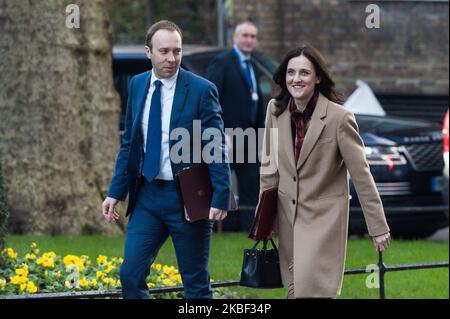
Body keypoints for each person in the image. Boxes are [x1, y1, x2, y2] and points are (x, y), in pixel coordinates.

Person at [102, 20, 232, 299]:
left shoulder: (201, 89)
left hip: (188, 198)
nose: (171, 58)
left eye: (177, 51)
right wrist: (116, 191)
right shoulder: (137, 84)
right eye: (164, 51)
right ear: (148, 52)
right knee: (130, 274)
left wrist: (221, 194)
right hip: (148, 196)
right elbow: (129, 144)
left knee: (196, 283)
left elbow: (215, 144)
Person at [259, 44, 391, 299]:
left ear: (318, 77)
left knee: (310, 290)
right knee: (297, 289)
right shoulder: (275, 111)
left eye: (304, 73)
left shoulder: (339, 118)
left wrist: (377, 226)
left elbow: (361, 174)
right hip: (287, 217)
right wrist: (265, 216)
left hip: (323, 220)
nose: (296, 79)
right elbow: (269, 167)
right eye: (291, 72)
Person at [206, 21, 265, 231]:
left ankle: (251, 231)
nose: (249, 40)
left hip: (249, 137)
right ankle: (208, 227)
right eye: (245, 35)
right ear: (235, 38)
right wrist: (220, 133)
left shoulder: (253, 66)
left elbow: (256, 101)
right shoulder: (221, 63)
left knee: (251, 186)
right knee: (217, 183)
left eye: (252, 36)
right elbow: (210, 99)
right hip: (227, 137)